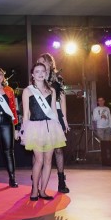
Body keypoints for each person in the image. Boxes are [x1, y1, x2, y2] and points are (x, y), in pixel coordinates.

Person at [21, 61, 68, 200]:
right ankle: (34, 190)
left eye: (43, 71)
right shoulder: (27, 91)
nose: (40, 74)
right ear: (32, 75)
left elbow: (53, 110)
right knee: (39, 160)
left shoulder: (52, 90)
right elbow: (26, 113)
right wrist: (23, 130)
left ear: (46, 73)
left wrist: (59, 125)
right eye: (37, 71)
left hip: (51, 127)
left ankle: (43, 191)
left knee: (48, 161)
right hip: (35, 127)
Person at [35, 53, 71, 194]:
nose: (40, 63)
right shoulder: (37, 76)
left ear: (50, 63)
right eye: (38, 62)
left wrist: (65, 119)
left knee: (58, 149)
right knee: (38, 149)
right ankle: (36, 180)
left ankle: (61, 180)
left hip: (56, 114)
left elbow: (62, 99)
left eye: (42, 61)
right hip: (40, 115)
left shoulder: (58, 79)